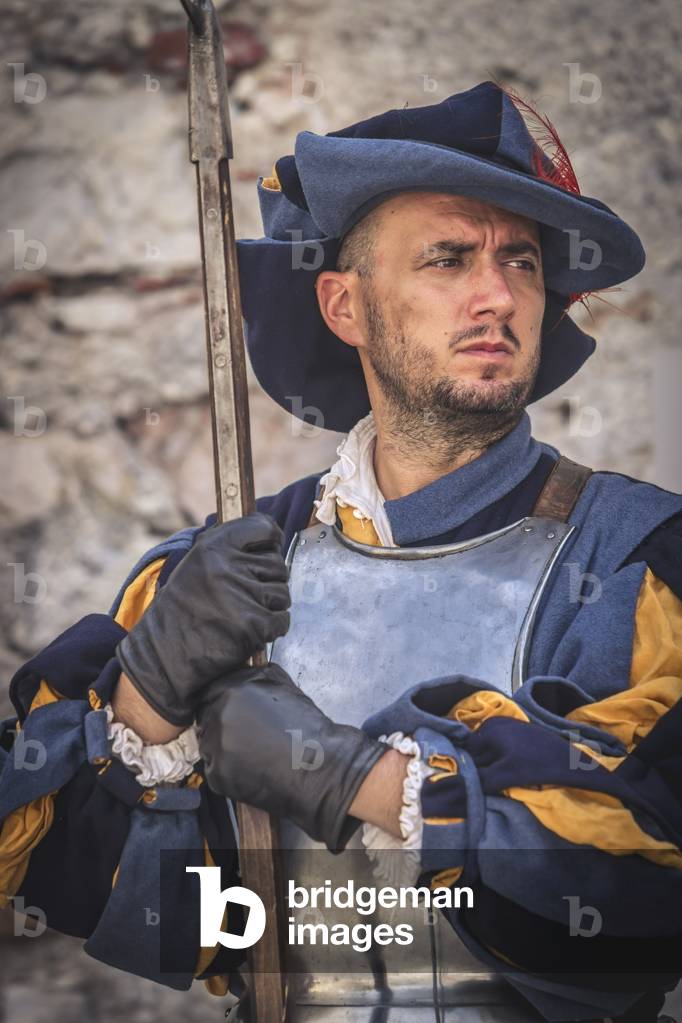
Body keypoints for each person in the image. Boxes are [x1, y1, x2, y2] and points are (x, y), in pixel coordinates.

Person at [1, 81, 680, 1023]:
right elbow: (96, 890)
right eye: (449, 258)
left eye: (520, 261)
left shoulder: (642, 564)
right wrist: (145, 700)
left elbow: (641, 901)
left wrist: (349, 775)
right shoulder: (217, 575)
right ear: (345, 305)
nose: (497, 295)